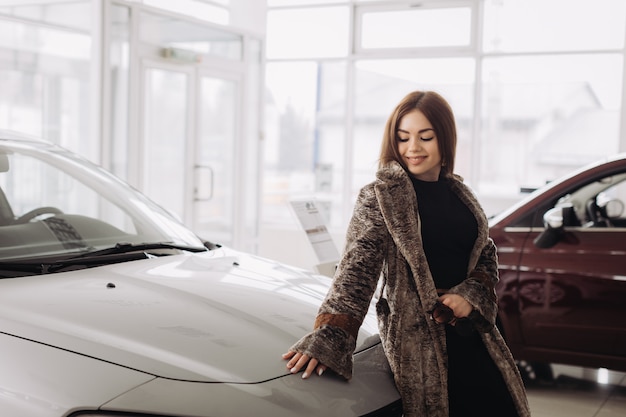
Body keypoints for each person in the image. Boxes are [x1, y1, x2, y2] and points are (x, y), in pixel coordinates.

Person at [282, 91, 531, 417]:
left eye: (425, 137)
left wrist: (469, 295)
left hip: (473, 334)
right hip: (418, 339)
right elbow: (357, 269)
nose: (413, 148)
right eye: (403, 138)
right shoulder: (382, 197)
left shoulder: (459, 193)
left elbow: (485, 254)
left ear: (445, 139)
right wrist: (330, 334)